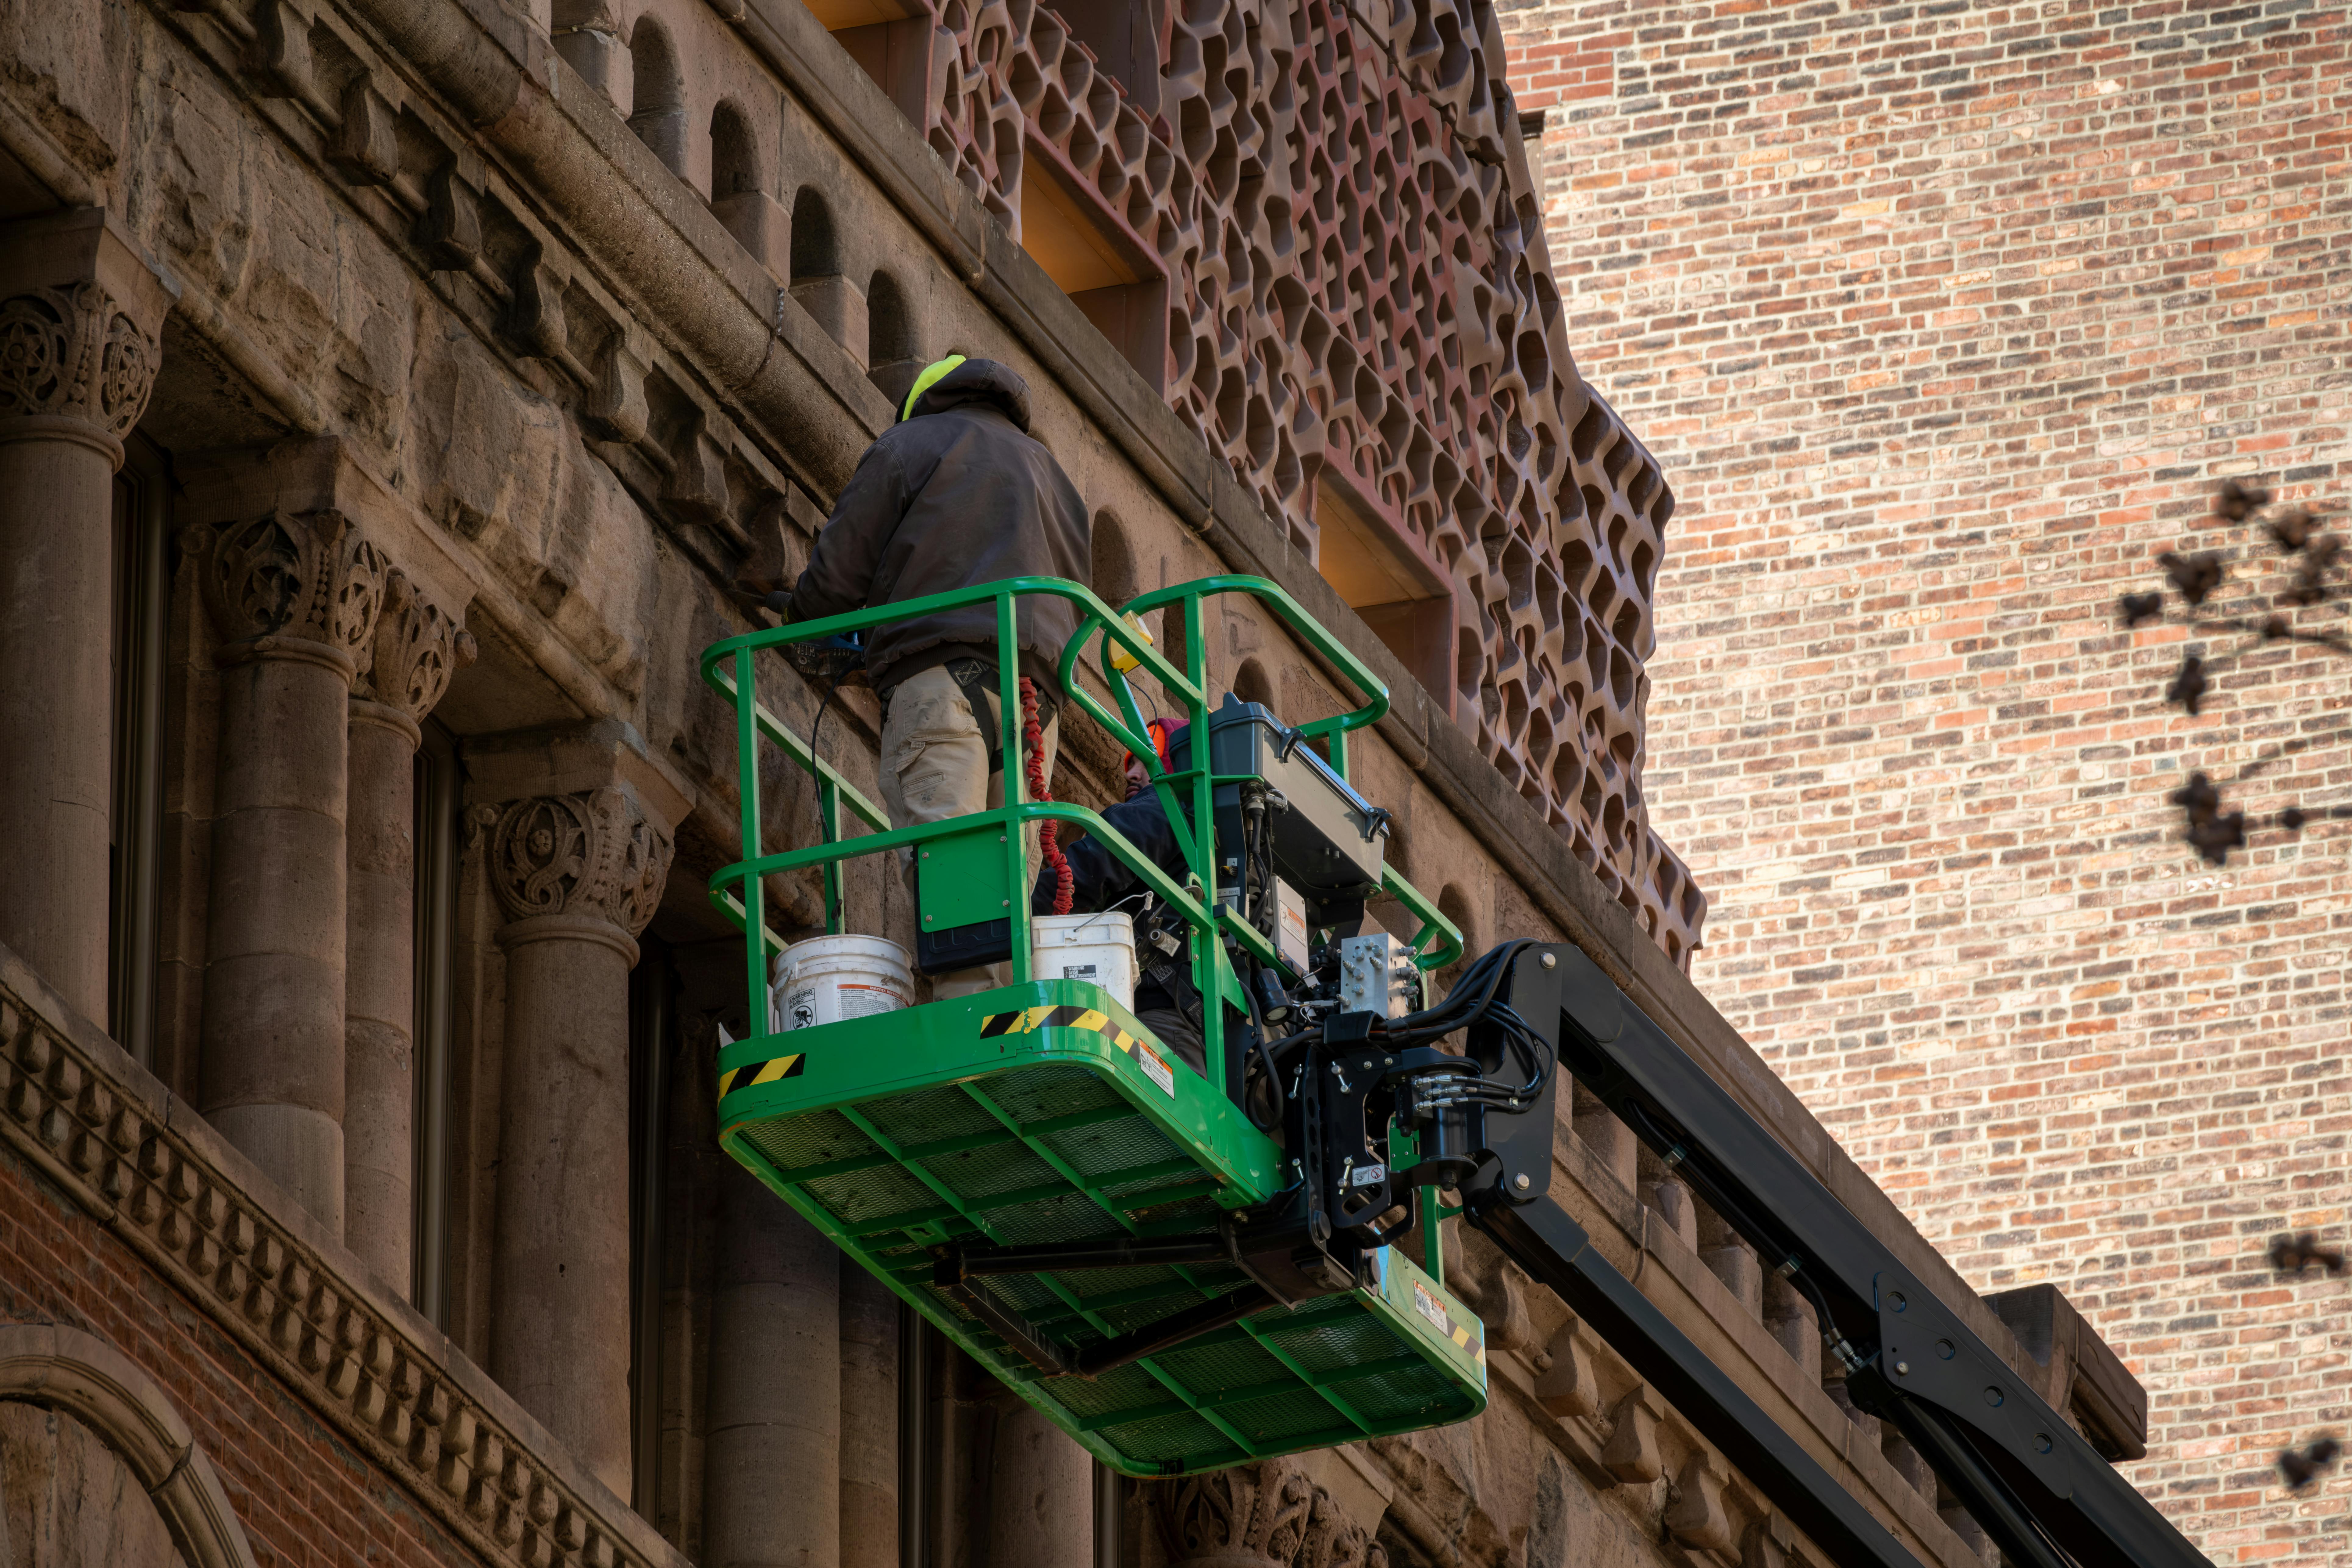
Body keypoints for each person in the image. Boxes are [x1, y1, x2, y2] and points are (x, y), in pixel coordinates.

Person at [765, 355, 1091, 996]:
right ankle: (1006, 1025)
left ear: (924, 400)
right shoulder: (1057, 480)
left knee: (951, 874)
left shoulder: (909, 444)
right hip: (1034, 704)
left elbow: (834, 580)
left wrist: (799, 620)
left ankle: (971, 1030)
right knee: (1006, 885)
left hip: (939, 681)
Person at [1032, 719, 1209, 1074]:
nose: (1132, 773)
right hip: (1202, 1027)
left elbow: (1089, 867)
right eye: (1129, 762)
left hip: (1163, 1020)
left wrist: (1010, 916)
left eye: (1148, 758)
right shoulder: (1219, 833)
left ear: (1178, 759)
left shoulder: (1168, 805)